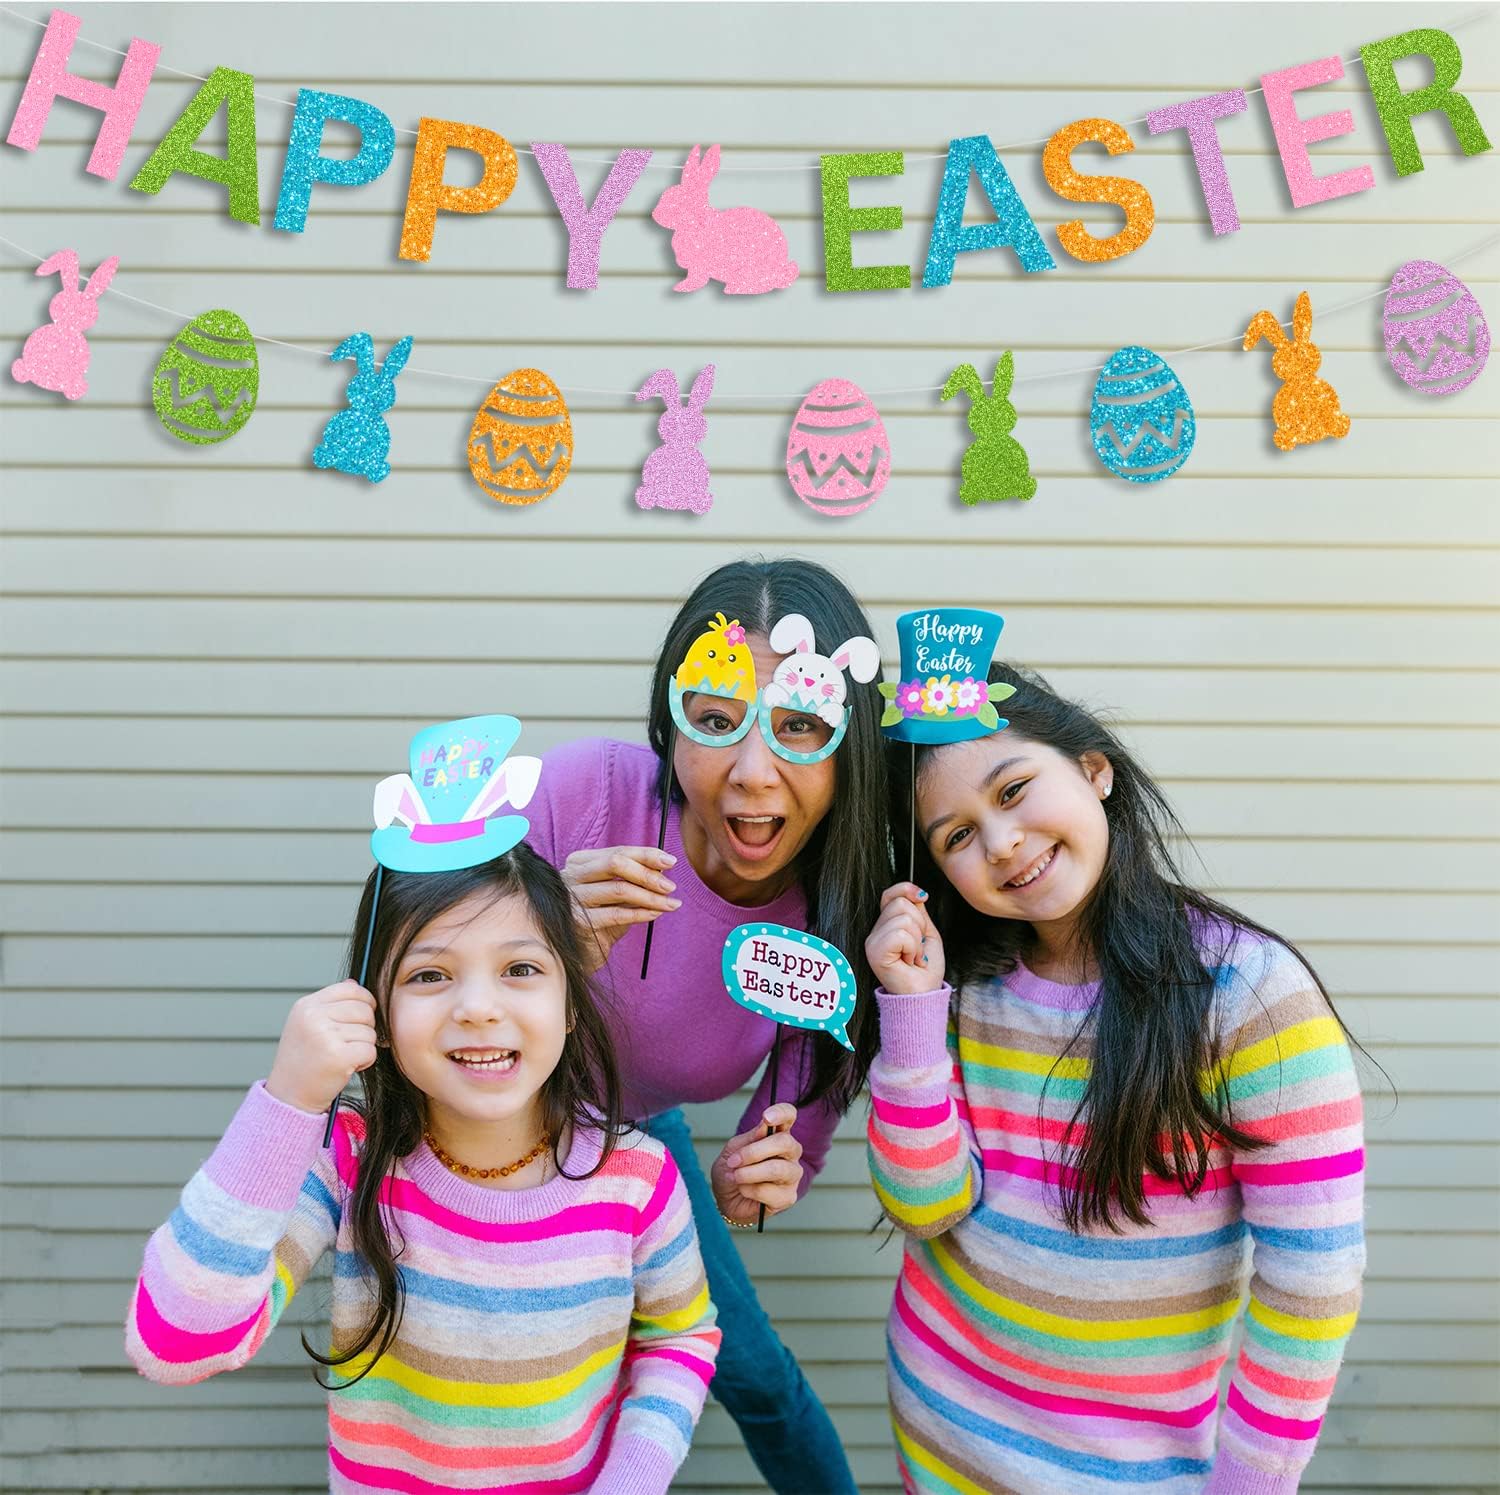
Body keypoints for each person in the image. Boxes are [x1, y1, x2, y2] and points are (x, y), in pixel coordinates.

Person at [864, 662, 1367, 1494]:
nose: (1001, 842)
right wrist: (913, 1015)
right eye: (956, 836)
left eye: (1014, 789)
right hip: (939, 1436)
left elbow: (1313, 1285)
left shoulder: (1249, 994)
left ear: (1094, 769)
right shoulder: (959, 986)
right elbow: (925, 1206)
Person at [124, 844, 721, 1493]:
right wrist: (288, 1101)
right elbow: (175, 1347)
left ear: (571, 1003)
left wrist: (630, 1482)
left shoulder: (637, 1176)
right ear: (376, 1014)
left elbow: (680, 1339)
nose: (478, 1007)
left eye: (520, 967)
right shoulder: (347, 1162)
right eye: (430, 974)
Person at [523, 555, 890, 1494]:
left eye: (800, 724)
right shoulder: (579, 796)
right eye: (718, 721)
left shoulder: (833, 927)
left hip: (639, 1139)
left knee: (754, 1372)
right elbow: (417, 976)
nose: (754, 771)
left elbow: (780, 1156)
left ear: (850, 746)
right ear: (671, 720)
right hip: (480, 1135)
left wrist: (738, 1192)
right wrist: (534, 947)